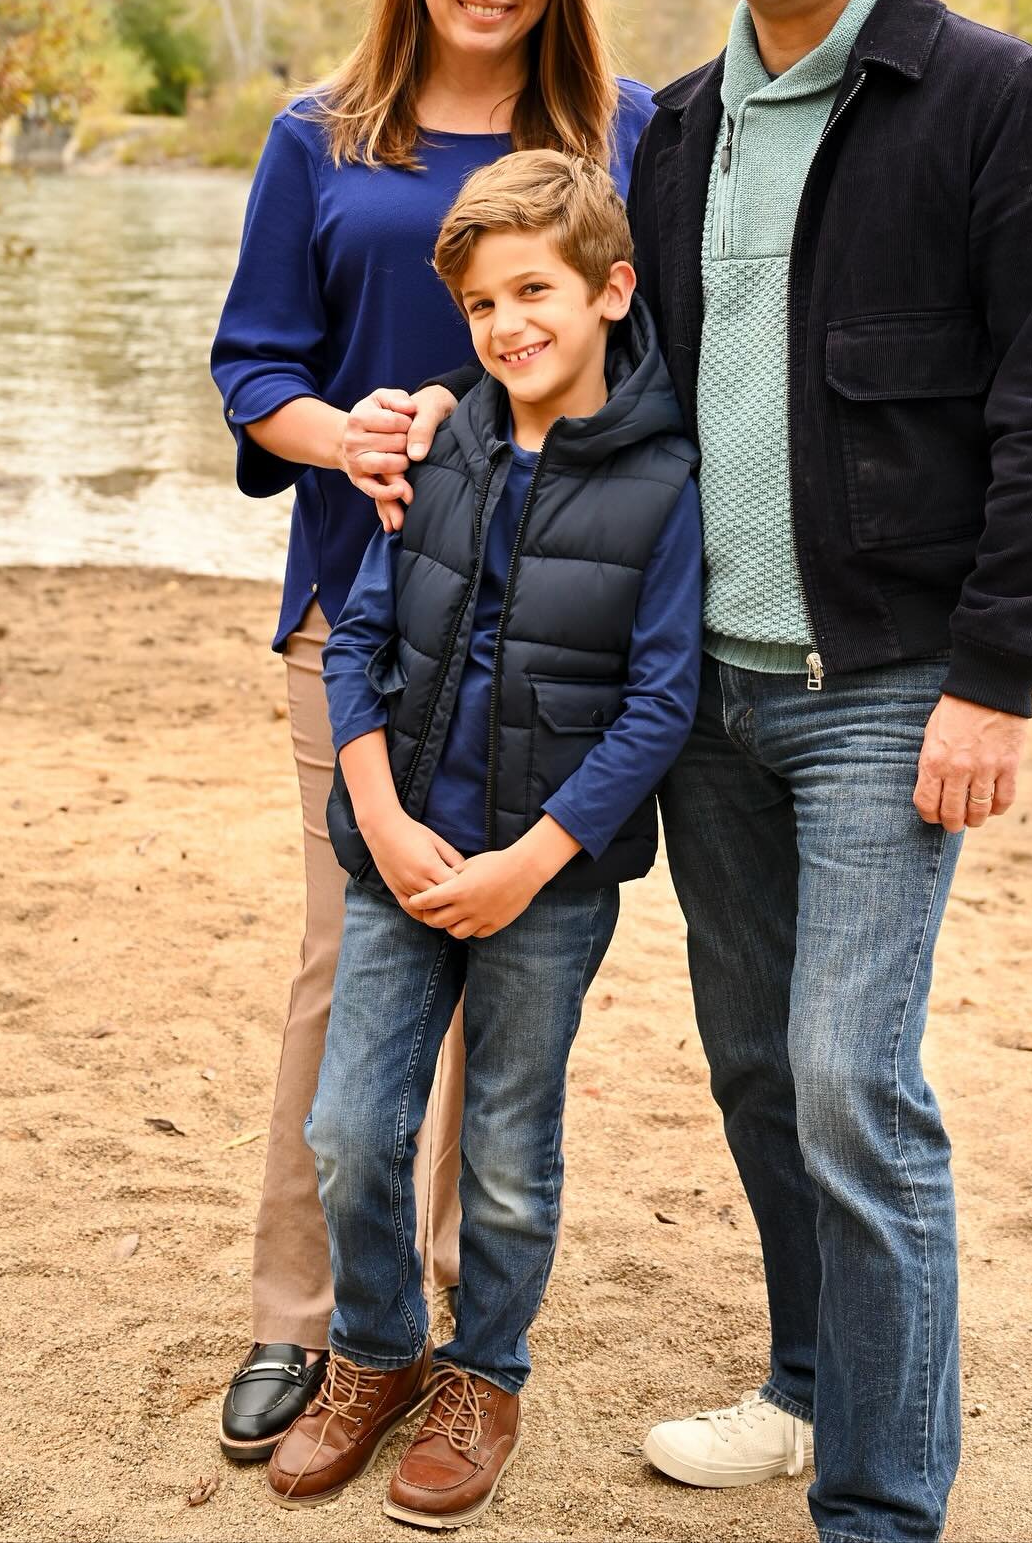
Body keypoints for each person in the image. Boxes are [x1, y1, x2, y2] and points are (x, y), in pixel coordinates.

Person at [391, 0, 1032, 1543]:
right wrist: (443, 432)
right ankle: (807, 1387)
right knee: (746, 1063)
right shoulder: (678, 130)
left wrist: (996, 682)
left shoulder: (992, 101)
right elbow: (609, 387)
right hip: (703, 697)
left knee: (849, 1083)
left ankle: (881, 1505)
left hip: (889, 693)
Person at [208, 0, 655, 1462]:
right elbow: (254, 366)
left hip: (560, 625)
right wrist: (350, 437)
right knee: (354, 959)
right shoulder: (321, 138)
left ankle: (465, 1330)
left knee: (506, 972)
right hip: (365, 611)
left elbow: (651, 358)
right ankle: (303, 1318)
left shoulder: (624, 131)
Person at [263, 150, 703, 1527]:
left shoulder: (669, 477)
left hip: (546, 883)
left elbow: (662, 700)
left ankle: (486, 1373)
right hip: (401, 857)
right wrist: (381, 818)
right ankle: (381, 1352)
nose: (508, 324)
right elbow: (361, 639)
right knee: (351, 1128)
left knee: (508, 1143)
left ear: (610, 290)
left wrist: (535, 859)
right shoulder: (445, 445)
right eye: (480, 305)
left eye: (536, 290)